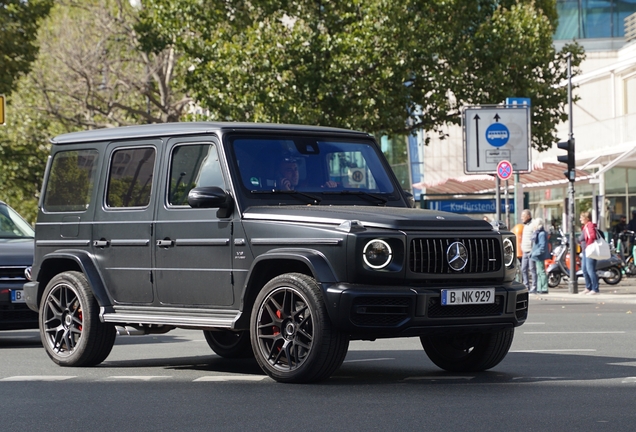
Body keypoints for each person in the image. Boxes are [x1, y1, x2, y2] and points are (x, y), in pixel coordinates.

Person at [579, 210, 599, 295]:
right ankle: (588, 287)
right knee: (584, 270)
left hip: (589, 251)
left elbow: (592, 236)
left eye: (581, 218)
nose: (580, 219)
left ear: (586, 218)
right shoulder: (585, 226)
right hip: (585, 251)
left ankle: (595, 288)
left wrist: (588, 246)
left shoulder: (590, 225)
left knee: (590, 270)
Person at [530, 218, 550, 294]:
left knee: (541, 272)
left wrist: (534, 253)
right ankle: (540, 288)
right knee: (539, 272)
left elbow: (542, 246)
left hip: (539, 256)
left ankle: (544, 288)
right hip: (537, 255)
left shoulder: (541, 234)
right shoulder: (538, 233)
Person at [520, 209, 537, 293]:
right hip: (525, 251)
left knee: (532, 269)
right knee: (523, 269)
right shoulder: (525, 225)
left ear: (528, 216)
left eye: (523, 216)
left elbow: (534, 238)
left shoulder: (533, 224)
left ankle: (534, 286)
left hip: (530, 251)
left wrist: (533, 249)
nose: (521, 218)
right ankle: (526, 286)